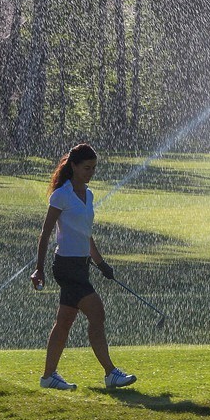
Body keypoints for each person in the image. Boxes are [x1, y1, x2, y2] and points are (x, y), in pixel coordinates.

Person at [30, 143, 136, 391]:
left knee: (64, 322)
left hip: (82, 266)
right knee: (97, 312)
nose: (91, 172)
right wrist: (39, 268)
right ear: (74, 166)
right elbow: (45, 234)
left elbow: (86, 234)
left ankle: (48, 376)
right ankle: (110, 373)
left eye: (94, 168)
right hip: (66, 267)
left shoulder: (88, 195)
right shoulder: (61, 195)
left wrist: (101, 264)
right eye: (87, 168)